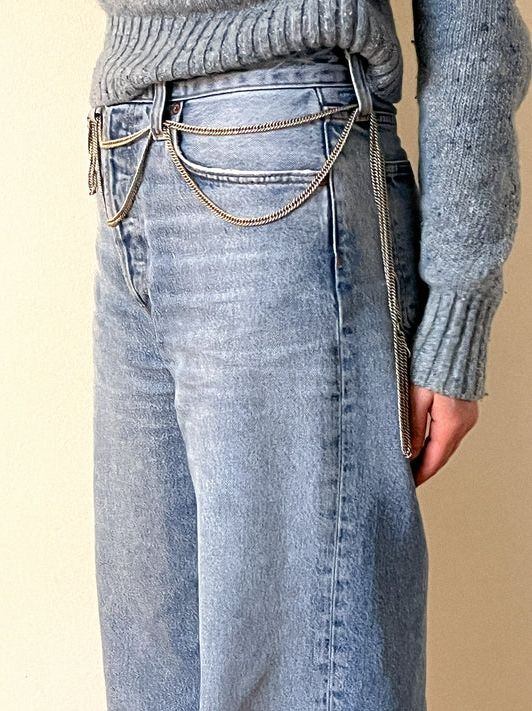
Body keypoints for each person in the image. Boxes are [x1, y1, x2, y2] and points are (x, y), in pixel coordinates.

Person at [86, 1, 531, 709]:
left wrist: (458, 303)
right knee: (154, 685)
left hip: (287, 148)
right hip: (128, 149)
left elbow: (470, 19)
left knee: (306, 682)